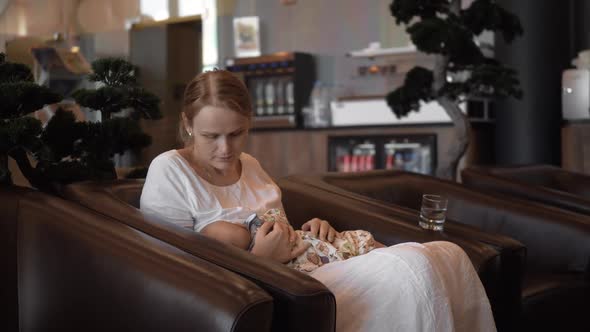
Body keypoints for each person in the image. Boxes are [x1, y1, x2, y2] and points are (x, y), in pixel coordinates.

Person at [140, 69, 496, 332]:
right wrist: (259, 261)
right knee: (410, 269)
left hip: (307, 268)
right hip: (265, 286)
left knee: (445, 254)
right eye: (210, 136)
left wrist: (314, 229)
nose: (225, 149)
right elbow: (173, 271)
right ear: (187, 124)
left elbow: (280, 228)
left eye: (236, 134)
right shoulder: (169, 170)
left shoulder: (250, 165)